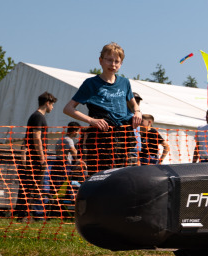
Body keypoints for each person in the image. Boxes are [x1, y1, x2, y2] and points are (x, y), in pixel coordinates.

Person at [63, 42, 142, 175]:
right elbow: (68, 108)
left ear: (121, 63)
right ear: (101, 61)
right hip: (101, 139)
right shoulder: (91, 84)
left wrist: (137, 112)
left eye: (117, 61)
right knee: (100, 176)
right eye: (109, 60)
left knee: (120, 175)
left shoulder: (124, 83)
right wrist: (92, 120)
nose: (113, 65)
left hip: (122, 137)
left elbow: (134, 104)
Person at [15, 91, 56, 220]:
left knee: (30, 187)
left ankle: (24, 215)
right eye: (52, 105)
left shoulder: (35, 116)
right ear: (47, 103)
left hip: (32, 157)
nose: (53, 108)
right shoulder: (38, 117)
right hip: (35, 158)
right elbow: (36, 138)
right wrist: (42, 157)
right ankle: (29, 215)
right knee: (32, 187)